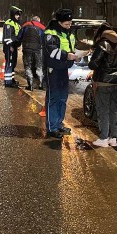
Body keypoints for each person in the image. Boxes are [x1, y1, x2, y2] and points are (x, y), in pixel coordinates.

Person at [88, 25, 117, 148]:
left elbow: (93, 64)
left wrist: (91, 58)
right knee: (113, 109)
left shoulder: (102, 44)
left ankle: (103, 138)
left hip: (104, 82)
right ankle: (113, 138)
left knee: (103, 109)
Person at [43, 8, 78, 138]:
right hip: (53, 70)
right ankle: (52, 128)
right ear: (59, 22)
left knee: (63, 98)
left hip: (64, 69)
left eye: (70, 23)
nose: (69, 26)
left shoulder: (68, 33)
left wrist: (76, 55)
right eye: (66, 24)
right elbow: (51, 50)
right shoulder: (50, 33)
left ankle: (59, 124)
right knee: (54, 98)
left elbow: (71, 48)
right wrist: (66, 56)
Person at [17, 15, 46, 91]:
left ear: (31, 20)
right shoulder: (42, 27)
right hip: (38, 49)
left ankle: (30, 85)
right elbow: (45, 39)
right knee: (39, 66)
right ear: (38, 21)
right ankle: (40, 84)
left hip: (27, 49)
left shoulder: (25, 25)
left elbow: (19, 37)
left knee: (28, 66)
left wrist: (18, 45)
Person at [2, 6, 22, 88]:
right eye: (16, 15)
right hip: (9, 47)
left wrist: (18, 44)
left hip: (14, 46)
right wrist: (11, 46)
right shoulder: (9, 23)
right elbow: (8, 37)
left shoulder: (16, 24)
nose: (18, 16)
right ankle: (8, 82)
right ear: (13, 14)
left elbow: (17, 36)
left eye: (18, 15)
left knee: (13, 63)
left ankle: (11, 79)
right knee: (9, 63)